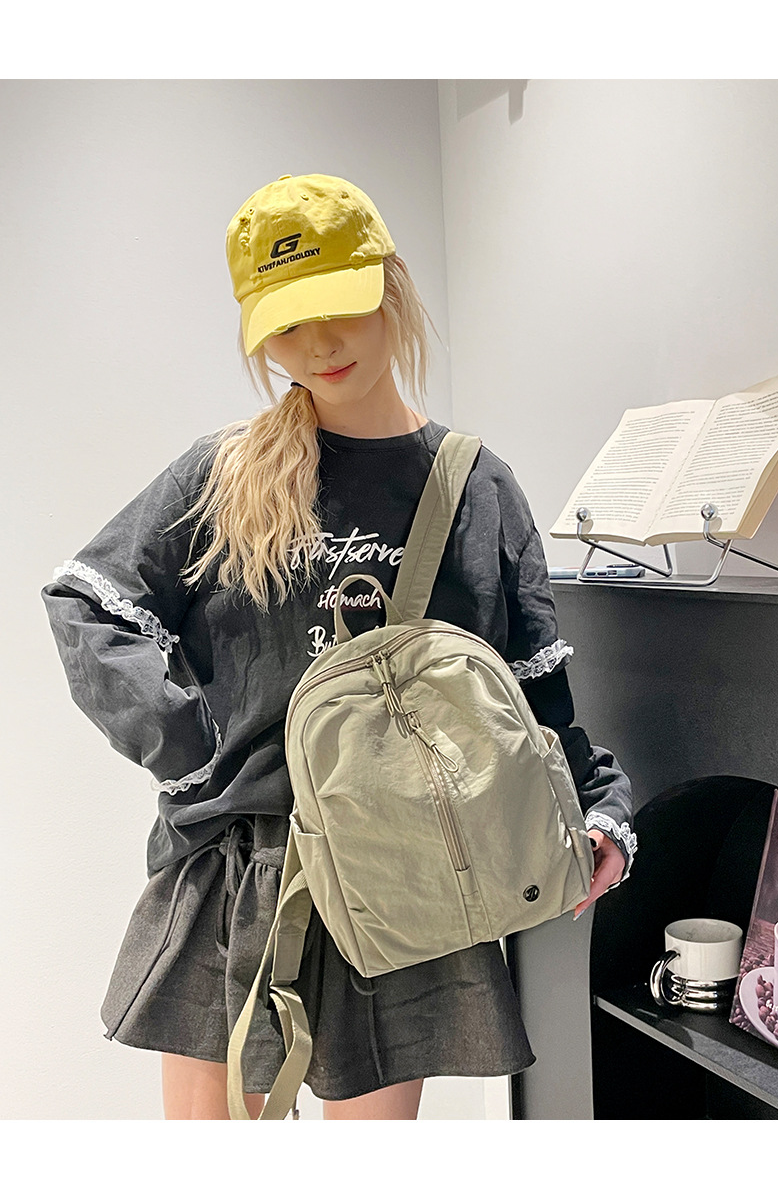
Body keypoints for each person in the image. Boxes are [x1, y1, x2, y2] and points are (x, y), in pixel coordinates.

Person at [41, 172, 637, 1121]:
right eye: (285, 324)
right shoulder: (225, 473)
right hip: (242, 871)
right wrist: (193, 755)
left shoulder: (475, 487)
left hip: (410, 873)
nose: (317, 344)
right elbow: (87, 603)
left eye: (340, 307)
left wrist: (597, 806)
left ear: (391, 284)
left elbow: (528, 689)